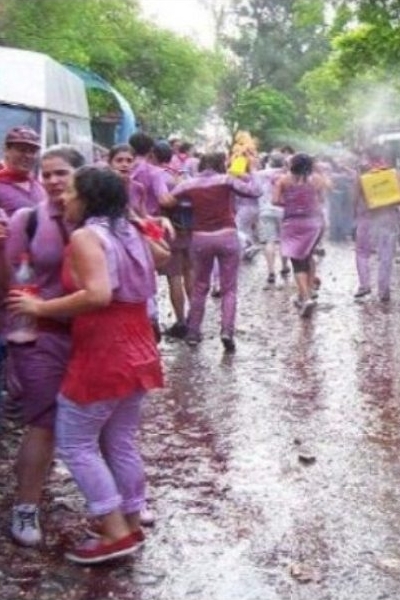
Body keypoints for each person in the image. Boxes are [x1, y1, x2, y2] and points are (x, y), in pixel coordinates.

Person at [8, 166, 163, 564]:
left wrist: (39, 306)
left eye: (72, 190)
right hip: (138, 342)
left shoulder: (86, 235)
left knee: (75, 441)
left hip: (103, 347)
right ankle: (130, 521)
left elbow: (97, 294)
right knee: (120, 439)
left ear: (88, 198)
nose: (64, 197)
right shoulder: (131, 231)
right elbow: (159, 262)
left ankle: (113, 533)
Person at [3, 145, 85, 547]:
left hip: (90, 336)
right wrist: (15, 340)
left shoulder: (97, 216)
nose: (53, 180)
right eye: (46, 174)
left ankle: (122, 502)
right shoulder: (28, 219)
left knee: (97, 416)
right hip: (42, 335)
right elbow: (13, 281)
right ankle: (25, 507)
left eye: (61, 173)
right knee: (44, 421)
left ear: (80, 176)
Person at [171, 152, 262, 352]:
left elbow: (168, 199)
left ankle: (194, 332)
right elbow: (256, 192)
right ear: (221, 164)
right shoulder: (227, 180)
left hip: (200, 238)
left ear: (201, 165)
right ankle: (227, 331)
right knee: (229, 289)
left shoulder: (189, 184)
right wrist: (249, 173)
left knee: (200, 286)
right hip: (227, 235)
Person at [273, 152, 325, 318]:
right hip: (314, 224)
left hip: (292, 224)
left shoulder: (283, 180)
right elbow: (320, 200)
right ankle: (308, 292)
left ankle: (305, 297)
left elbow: (275, 201)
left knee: (297, 263)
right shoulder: (317, 180)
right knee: (308, 257)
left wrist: (290, 203)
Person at [353, 145, 399, 302]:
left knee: (361, 252)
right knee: (386, 254)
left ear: (368, 158)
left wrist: (353, 217)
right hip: (388, 219)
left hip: (366, 219)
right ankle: (383, 290)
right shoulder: (393, 174)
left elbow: (355, 199)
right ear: (383, 157)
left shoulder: (362, 177)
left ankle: (364, 285)